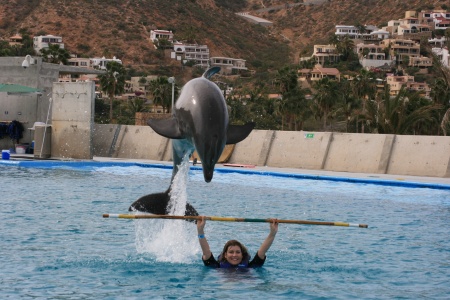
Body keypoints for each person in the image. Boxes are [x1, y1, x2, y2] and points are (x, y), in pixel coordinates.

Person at [196, 216, 279, 268]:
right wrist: (200, 231)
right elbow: (206, 252)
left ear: (242, 255)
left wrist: (272, 233)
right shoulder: (216, 267)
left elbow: (262, 251)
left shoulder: (250, 266)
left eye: (238, 252)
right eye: (231, 252)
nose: (234, 255)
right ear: (225, 255)